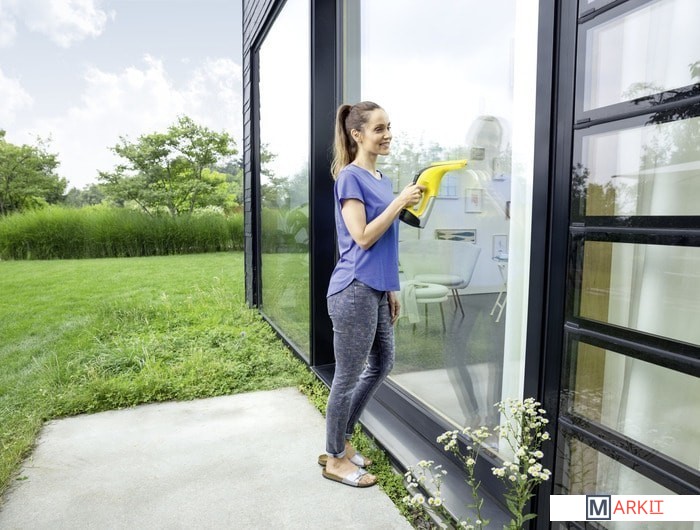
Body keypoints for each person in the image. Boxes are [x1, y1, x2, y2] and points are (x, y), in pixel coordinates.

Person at [321, 101, 425, 488]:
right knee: (347, 377)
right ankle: (335, 458)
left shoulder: (381, 179)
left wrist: (391, 287)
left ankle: (342, 441)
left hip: (377, 288)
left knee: (382, 364)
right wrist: (399, 202)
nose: (388, 135)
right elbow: (363, 237)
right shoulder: (349, 178)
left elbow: (387, 241)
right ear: (357, 134)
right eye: (379, 128)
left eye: (389, 127)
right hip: (353, 289)